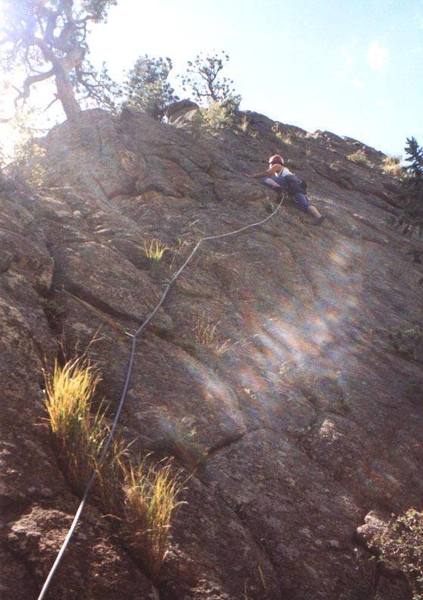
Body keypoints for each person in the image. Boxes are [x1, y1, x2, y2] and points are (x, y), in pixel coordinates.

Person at [245, 154, 325, 225]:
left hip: (288, 183)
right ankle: (319, 216)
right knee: (305, 205)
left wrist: (252, 176)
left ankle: (279, 188)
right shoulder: (286, 171)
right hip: (297, 188)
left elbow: (268, 173)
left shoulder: (277, 165)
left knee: (264, 179)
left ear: (272, 162)